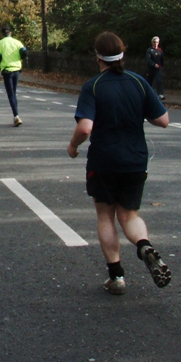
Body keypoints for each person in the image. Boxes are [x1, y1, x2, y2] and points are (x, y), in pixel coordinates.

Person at [67, 31, 171, 296]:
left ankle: (117, 277)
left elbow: (85, 128)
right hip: (135, 160)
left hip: (103, 161)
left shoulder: (93, 86)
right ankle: (144, 245)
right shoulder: (138, 82)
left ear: (97, 56)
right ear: (123, 53)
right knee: (129, 216)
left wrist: (73, 146)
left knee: (106, 216)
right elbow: (163, 120)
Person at [0, 27, 27, 127]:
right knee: (14, 93)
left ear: (2, 34)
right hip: (16, 69)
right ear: (11, 33)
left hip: (7, 70)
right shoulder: (17, 42)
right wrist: (19, 58)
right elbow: (24, 52)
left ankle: (16, 116)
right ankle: (16, 115)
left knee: (11, 94)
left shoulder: (0, 43)